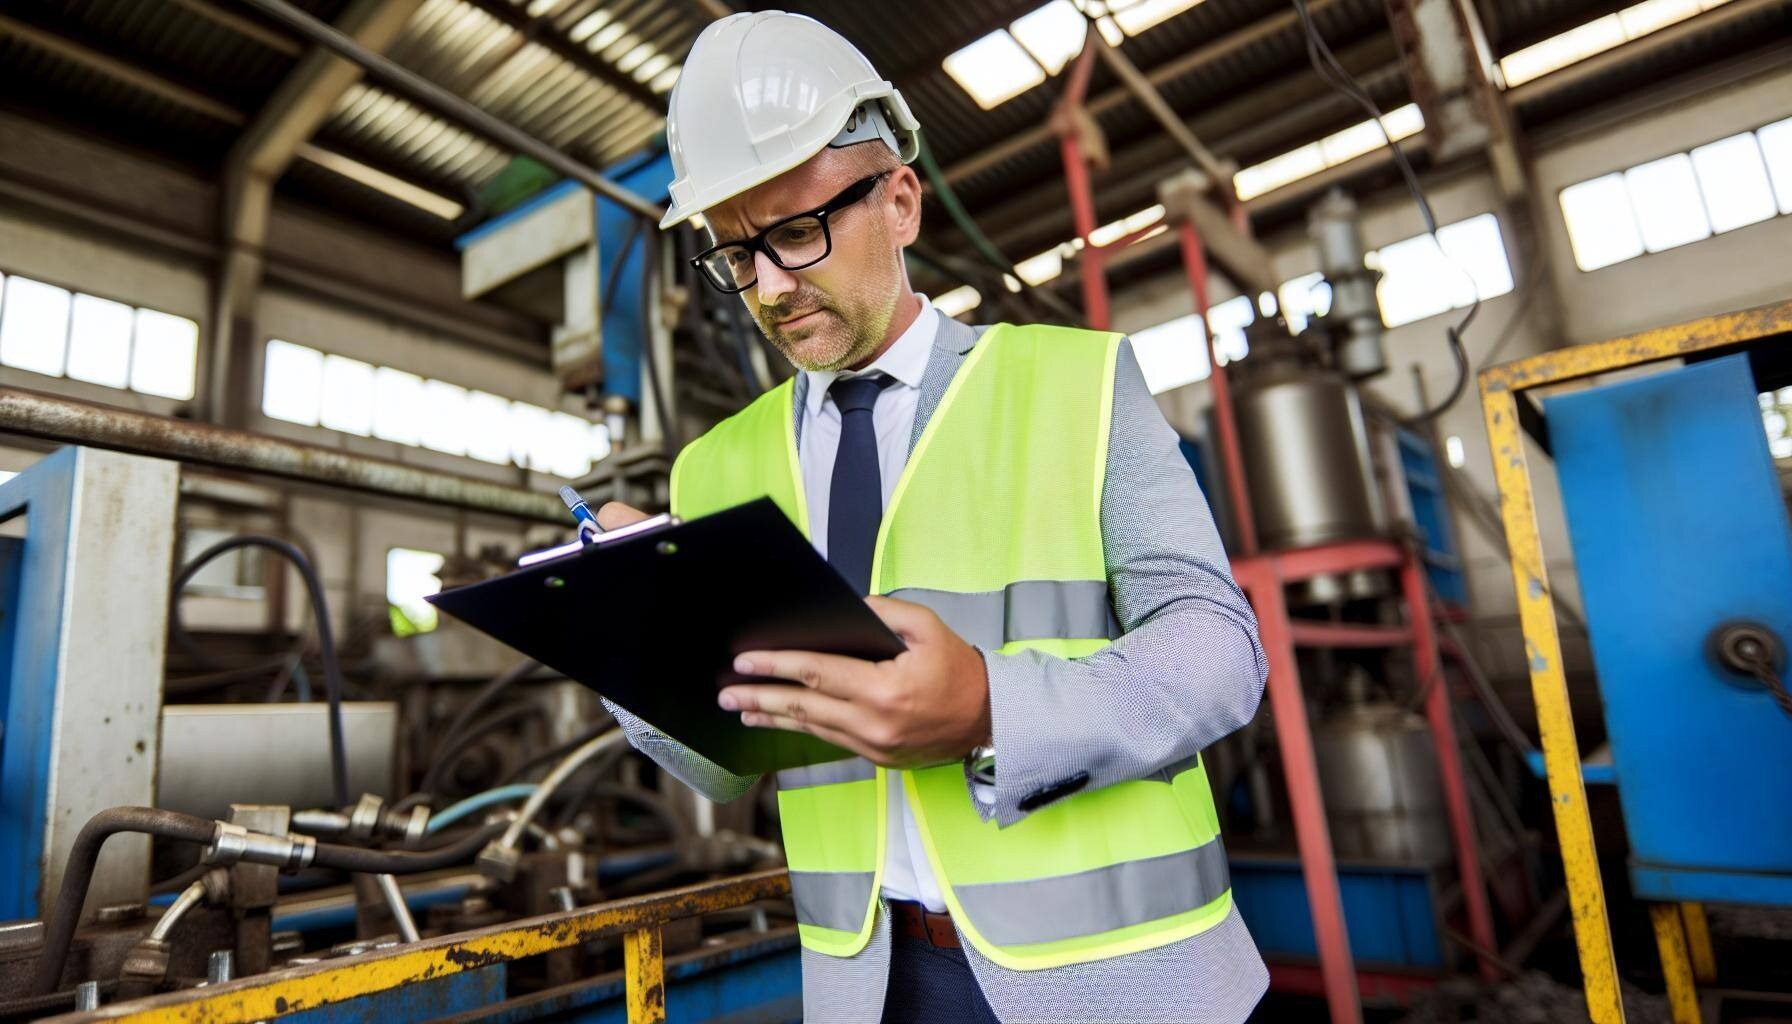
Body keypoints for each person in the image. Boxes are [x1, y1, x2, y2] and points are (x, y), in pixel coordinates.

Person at [596, 11, 1269, 1023]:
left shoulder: (1077, 384)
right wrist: (626, 640)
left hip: (1122, 974)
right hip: (868, 983)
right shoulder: (714, 467)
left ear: (900, 202)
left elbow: (1218, 650)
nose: (769, 287)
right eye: (735, 253)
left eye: (796, 232)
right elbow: (722, 760)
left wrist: (994, 707)